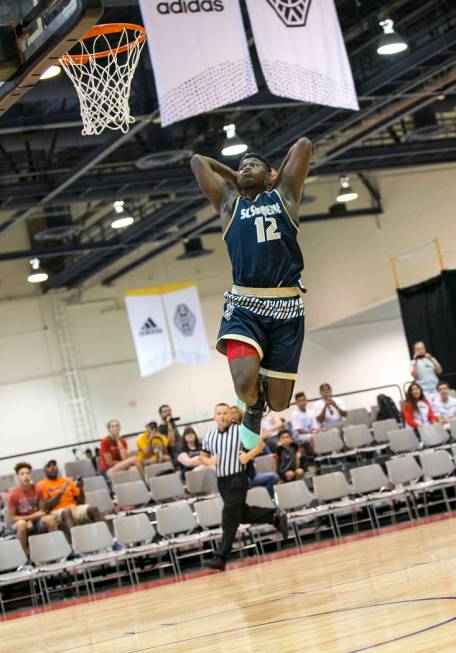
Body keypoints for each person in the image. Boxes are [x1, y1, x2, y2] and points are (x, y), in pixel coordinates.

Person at [191, 137, 312, 451]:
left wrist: (276, 177)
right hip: (245, 304)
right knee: (245, 386)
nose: (244, 168)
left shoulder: (285, 196)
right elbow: (198, 161)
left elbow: (302, 145)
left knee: (281, 402)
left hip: (287, 307)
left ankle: (261, 404)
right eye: (241, 165)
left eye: (252, 165)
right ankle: (252, 408)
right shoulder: (230, 203)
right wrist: (235, 177)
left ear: (268, 173)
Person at [200, 403, 288, 571]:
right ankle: (275, 516)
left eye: (225, 413)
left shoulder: (240, 430)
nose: (222, 416)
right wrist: (209, 461)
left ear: (230, 415)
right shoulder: (209, 436)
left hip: (238, 479)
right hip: (222, 482)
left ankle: (220, 557)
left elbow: (260, 445)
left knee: (228, 516)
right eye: (219, 413)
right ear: (214, 416)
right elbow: (202, 457)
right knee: (239, 515)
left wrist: (248, 456)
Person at [37, 460, 103, 536]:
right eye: (49, 466)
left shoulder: (67, 480)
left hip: (73, 508)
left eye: (54, 465)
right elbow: (46, 507)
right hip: (56, 512)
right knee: (67, 512)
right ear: (44, 470)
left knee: (93, 509)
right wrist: (61, 492)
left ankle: (110, 541)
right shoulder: (41, 485)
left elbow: (80, 502)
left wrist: (81, 488)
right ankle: (78, 544)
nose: (53, 468)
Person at [8, 462, 57, 555]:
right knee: (22, 524)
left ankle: (55, 550)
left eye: (27, 473)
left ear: (31, 475)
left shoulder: (38, 490)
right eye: (22, 474)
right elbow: (13, 518)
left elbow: (41, 512)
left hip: (35, 521)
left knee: (49, 519)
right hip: (20, 523)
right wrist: (30, 518)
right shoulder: (13, 494)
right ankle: (23, 557)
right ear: (17, 477)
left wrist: (32, 519)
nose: (25, 476)